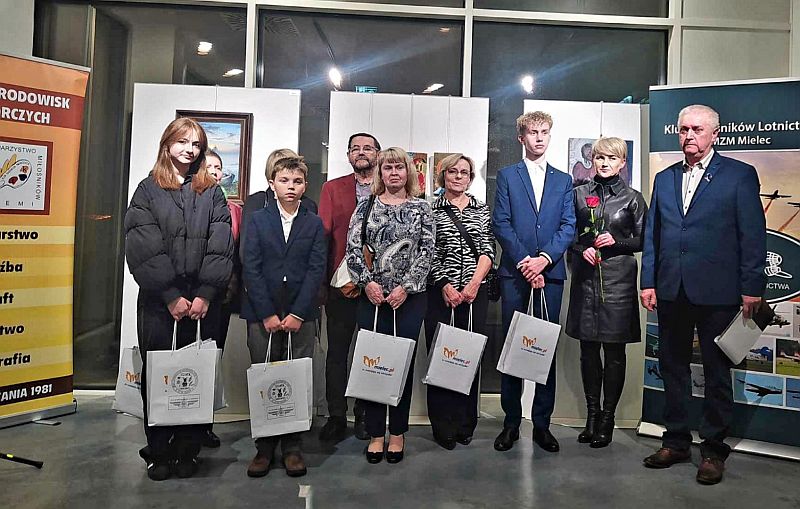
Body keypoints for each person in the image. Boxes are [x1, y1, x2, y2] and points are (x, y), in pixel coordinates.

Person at [640, 104, 766, 485]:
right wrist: (648, 281)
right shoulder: (664, 178)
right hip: (671, 290)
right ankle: (676, 441)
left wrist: (752, 288)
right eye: (683, 129)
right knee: (673, 368)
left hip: (718, 292)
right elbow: (653, 235)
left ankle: (713, 450)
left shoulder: (739, 175)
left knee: (716, 372)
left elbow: (752, 235)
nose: (688, 136)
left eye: (696, 129)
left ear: (715, 134)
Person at [124, 118, 233, 481]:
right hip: (159, 302)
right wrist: (171, 295)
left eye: (196, 144)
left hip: (203, 303)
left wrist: (205, 294)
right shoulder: (147, 190)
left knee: (194, 375)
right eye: (183, 141)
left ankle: (188, 450)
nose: (190, 149)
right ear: (167, 143)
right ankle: (158, 452)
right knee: (159, 376)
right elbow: (143, 246)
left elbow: (221, 244)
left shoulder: (212, 192)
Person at [492, 111, 576, 453]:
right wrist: (527, 262)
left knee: (544, 346)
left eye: (544, 132)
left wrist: (544, 259)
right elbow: (501, 223)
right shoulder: (507, 176)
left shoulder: (564, 180)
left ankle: (542, 423)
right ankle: (511, 422)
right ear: (521, 137)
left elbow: (568, 226)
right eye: (532, 132)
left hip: (550, 274)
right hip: (516, 272)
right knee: (513, 345)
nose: (539, 138)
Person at [346, 147, 435, 464]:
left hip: (409, 301)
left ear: (408, 172)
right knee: (373, 365)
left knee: (401, 365)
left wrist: (405, 288)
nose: (394, 172)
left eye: (399, 167)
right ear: (380, 173)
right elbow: (353, 249)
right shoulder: (365, 206)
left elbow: (427, 252)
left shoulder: (422, 208)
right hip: (372, 299)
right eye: (388, 167)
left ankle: (397, 432)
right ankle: (375, 433)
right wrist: (367, 283)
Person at [241, 156, 326, 478]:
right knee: (264, 376)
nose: (291, 187)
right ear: (272, 184)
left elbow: (316, 269)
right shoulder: (258, 220)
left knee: (296, 376)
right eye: (284, 181)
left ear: (305, 186)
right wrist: (266, 313)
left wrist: (298, 313)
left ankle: (292, 446)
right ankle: (264, 447)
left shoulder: (313, 223)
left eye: (297, 182)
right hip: (262, 311)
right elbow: (251, 267)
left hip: (300, 312)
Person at [565, 137, 647, 448]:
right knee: (587, 351)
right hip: (586, 281)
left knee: (614, 354)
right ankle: (591, 416)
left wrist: (617, 242)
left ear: (622, 163)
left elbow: (644, 240)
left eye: (612, 158)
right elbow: (568, 235)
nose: (605, 163)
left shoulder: (633, 198)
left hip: (619, 283)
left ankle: (607, 419)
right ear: (592, 160)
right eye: (600, 157)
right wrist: (581, 248)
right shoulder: (578, 194)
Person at [425, 153, 494, 449]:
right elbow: (426, 252)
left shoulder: (481, 209)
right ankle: (442, 424)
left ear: (470, 178)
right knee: (442, 358)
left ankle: (466, 422)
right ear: (443, 176)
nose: (457, 177)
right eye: (452, 172)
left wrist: (474, 284)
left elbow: (487, 249)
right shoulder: (430, 209)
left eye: (463, 172)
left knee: (469, 357)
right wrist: (445, 284)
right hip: (441, 294)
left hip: (475, 294)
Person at [318, 132, 381, 442]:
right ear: (347, 156)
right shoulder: (332, 188)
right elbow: (322, 237)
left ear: (378, 154)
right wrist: (324, 283)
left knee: (370, 353)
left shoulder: (388, 187)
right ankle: (336, 415)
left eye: (367, 148)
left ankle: (365, 414)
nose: (361, 152)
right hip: (340, 285)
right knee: (337, 353)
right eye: (355, 148)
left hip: (377, 287)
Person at [203, 150, 243, 448]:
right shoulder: (186, 203)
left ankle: (204, 424)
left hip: (221, 295)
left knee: (212, 358)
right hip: (189, 297)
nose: (216, 172)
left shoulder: (235, 210)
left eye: (219, 167)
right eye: (209, 167)